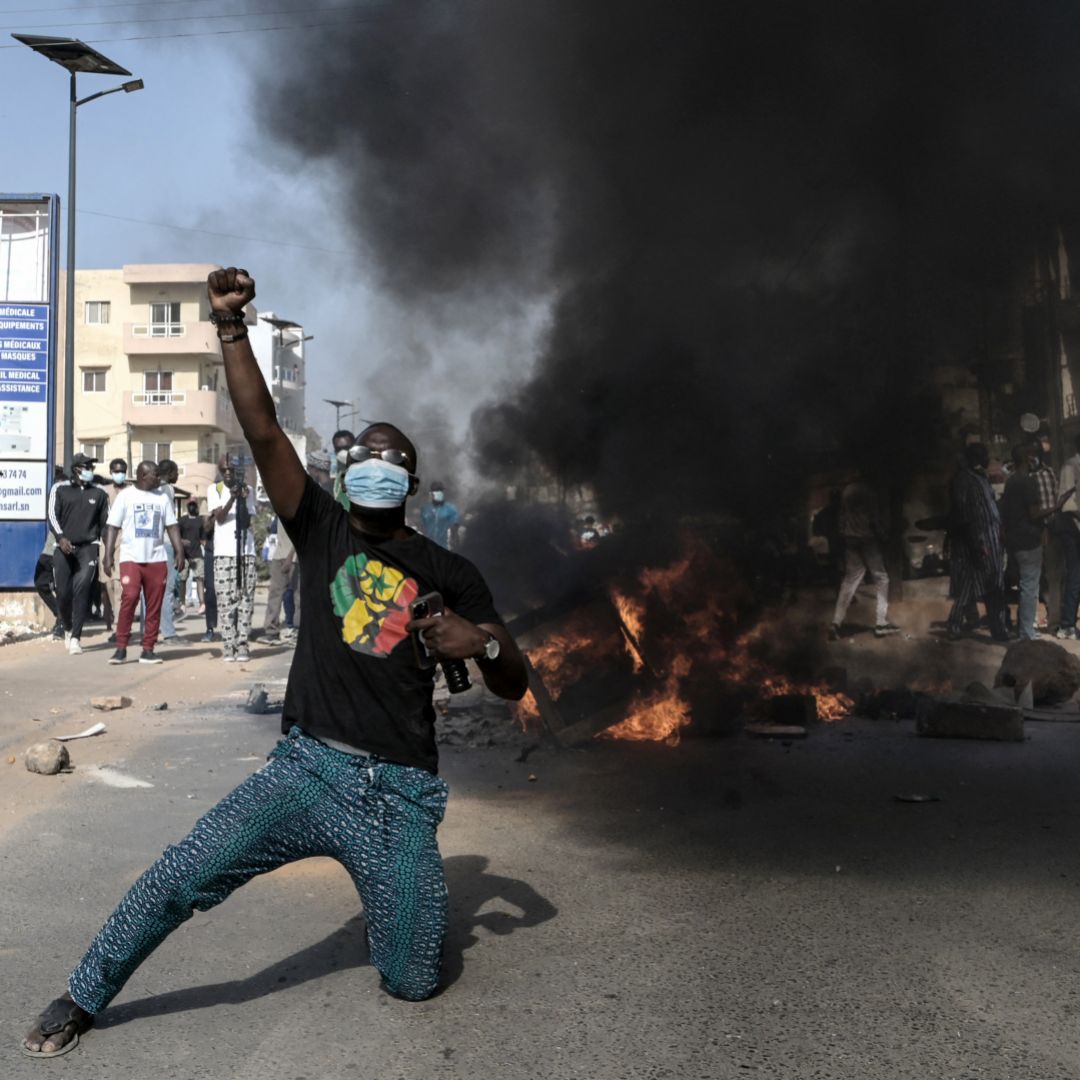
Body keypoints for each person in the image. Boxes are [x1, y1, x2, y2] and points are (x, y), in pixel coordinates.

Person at [21, 266, 528, 1058]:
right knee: (180, 875)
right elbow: (260, 429)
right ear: (348, 470)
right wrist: (229, 326)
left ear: (413, 483)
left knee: (415, 978)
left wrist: (485, 642)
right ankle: (83, 994)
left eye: (391, 459)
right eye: (365, 454)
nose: (376, 464)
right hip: (305, 770)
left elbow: (514, 679)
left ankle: (392, 911)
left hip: (398, 792)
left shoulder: (450, 572)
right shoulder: (320, 525)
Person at [102, 461, 185, 665]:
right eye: (155, 475)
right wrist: (108, 554)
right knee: (129, 598)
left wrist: (179, 551)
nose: (159, 478)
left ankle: (148, 649)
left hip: (156, 559)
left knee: (154, 605)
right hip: (131, 558)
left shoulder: (163, 498)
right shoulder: (126, 496)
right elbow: (112, 526)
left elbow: (172, 526)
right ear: (143, 476)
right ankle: (121, 647)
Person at [47, 452, 109, 655]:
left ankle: (76, 637)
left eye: (92, 467)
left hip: (88, 547)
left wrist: (105, 549)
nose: (91, 471)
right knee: (63, 593)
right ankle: (66, 626)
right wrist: (61, 538)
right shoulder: (60, 489)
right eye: (88, 467)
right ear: (77, 469)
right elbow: (51, 515)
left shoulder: (100, 493)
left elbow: (105, 524)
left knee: (82, 589)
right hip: (63, 547)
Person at [946, 442, 1009, 641]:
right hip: (977, 542)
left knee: (989, 586)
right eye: (983, 455)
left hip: (992, 541)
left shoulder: (981, 477)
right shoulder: (963, 480)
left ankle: (996, 629)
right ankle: (956, 624)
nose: (987, 458)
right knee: (972, 586)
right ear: (974, 457)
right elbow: (964, 514)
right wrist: (976, 544)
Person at [827, 477, 899, 640]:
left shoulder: (847, 490)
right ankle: (881, 623)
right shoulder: (869, 491)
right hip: (867, 540)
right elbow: (874, 519)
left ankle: (836, 622)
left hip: (850, 540)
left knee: (849, 582)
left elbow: (842, 519)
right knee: (882, 579)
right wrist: (883, 534)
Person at [206, 455, 257, 661]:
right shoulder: (215, 489)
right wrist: (232, 498)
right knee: (225, 601)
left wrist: (243, 497)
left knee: (246, 599)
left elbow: (246, 522)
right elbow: (219, 518)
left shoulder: (248, 491)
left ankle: (243, 644)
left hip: (246, 552)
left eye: (231, 470)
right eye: (224, 470)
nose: (228, 473)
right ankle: (228, 644)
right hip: (224, 552)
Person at [1001, 446, 1051, 640]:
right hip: (1029, 540)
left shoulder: (1011, 481)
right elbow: (1034, 513)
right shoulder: (1028, 481)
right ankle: (1027, 633)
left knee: (1024, 586)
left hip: (1015, 540)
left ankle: (1025, 629)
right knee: (1030, 587)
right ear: (1028, 459)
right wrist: (1057, 506)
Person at [99, 458, 130, 640]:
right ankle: (112, 620)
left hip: (125, 538)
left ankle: (120, 626)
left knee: (120, 584)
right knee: (108, 583)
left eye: (122, 471)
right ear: (111, 472)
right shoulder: (104, 492)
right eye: (116, 471)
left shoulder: (131, 492)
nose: (120, 474)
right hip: (106, 538)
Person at [156, 459, 183, 644]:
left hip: (152, 544)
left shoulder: (152, 488)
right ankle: (168, 633)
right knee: (168, 589)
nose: (178, 476)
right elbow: (170, 522)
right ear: (170, 472)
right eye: (176, 472)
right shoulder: (168, 490)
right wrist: (178, 545)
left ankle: (150, 630)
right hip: (166, 544)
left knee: (150, 591)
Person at [262, 514, 300, 643]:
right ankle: (271, 632)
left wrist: (290, 557)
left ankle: (298, 630)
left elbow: (300, 533)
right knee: (275, 594)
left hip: (294, 557)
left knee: (298, 596)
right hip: (278, 555)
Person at [177, 500, 206, 612]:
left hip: (197, 554)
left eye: (194, 505)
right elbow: (176, 535)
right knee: (183, 579)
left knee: (200, 579)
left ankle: (202, 604)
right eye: (190, 505)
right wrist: (181, 542)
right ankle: (182, 603)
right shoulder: (182, 520)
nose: (192, 507)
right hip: (184, 555)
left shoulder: (200, 521)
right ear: (187, 506)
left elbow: (203, 539)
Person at [419, 481, 460, 549]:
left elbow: (455, 528)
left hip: (444, 547)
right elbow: (422, 527)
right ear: (431, 493)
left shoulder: (451, 509)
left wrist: (453, 541)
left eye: (440, 490)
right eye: (436, 491)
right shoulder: (425, 509)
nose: (439, 493)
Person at [331, 428, 355, 510]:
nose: (342, 453)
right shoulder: (340, 475)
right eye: (338, 449)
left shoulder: (364, 473)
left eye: (346, 448)